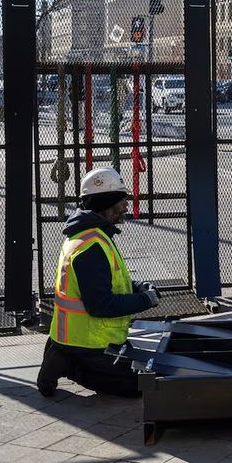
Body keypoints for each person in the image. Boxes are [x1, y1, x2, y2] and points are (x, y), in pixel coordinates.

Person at [37, 167, 160, 397]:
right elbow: (101, 305)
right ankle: (68, 363)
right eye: (122, 200)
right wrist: (145, 300)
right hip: (91, 345)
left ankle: (61, 353)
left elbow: (108, 279)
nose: (125, 206)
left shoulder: (91, 236)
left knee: (147, 371)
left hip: (85, 338)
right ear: (107, 203)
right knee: (144, 386)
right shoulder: (92, 247)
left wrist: (136, 287)